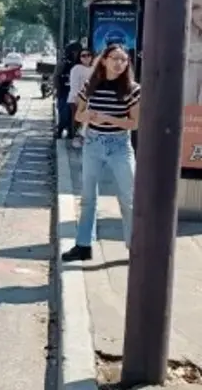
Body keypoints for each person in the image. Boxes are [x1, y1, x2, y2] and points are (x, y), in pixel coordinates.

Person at [61, 43, 140, 262]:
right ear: (104, 60)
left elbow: (134, 123)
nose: (119, 63)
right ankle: (83, 245)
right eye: (115, 58)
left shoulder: (133, 89)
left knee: (128, 197)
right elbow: (79, 116)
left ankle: (134, 247)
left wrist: (107, 118)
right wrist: (89, 116)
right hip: (93, 144)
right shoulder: (91, 85)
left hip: (119, 146)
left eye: (123, 60)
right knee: (88, 198)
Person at [67, 47, 95, 147]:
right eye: (83, 56)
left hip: (91, 100)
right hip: (77, 99)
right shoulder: (76, 69)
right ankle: (76, 138)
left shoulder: (94, 69)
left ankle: (85, 138)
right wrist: (77, 98)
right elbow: (74, 85)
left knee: (87, 120)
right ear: (79, 58)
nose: (86, 58)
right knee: (77, 119)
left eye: (88, 55)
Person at [54, 42, 80, 138]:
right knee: (63, 113)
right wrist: (57, 90)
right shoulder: (63, 62)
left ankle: (71, 132)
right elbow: (56, 76)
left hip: (77, 93)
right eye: (74, 52)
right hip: (64, 92)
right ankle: (60, 130)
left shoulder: (81, 62)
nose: (76, 54)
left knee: (73, 115)